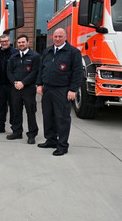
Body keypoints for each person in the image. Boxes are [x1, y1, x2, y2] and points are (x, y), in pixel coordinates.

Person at [36, 28, 83, 156]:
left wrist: (73, 89)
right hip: (47, 89)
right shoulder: (47, 51)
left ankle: (62, 145)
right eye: (55, 36)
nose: (57, 39)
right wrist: (39, 84)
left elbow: (78, 73)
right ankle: (50, 140)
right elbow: (42, 69)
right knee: (48, 115)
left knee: (62, 117)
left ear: (65, 37)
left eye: (60, 36)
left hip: (62, 90)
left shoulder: (73, 52)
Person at [6, 35, 40, 144]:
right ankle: (17, 132)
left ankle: (32, 134)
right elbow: (9, 71)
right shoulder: (13, 56)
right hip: (15, 88)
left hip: (28, 89)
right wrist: (15, 82)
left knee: (30, 112)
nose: (21, 44)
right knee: (16, 111)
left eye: (23, 42)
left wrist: (23, 83)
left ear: (28, 43)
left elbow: (35, 72)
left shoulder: (35, 56)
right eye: (19, 42)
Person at [0, 34, 18, 134]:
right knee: (0, 107)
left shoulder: (15, 53)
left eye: (6, 41)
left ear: (9, 41)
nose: (4, 43)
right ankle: (0, 127)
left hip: (12, 85)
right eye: (2, 41)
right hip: (0, 85)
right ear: (0, 42)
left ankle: (15, 129)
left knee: (14, 108)